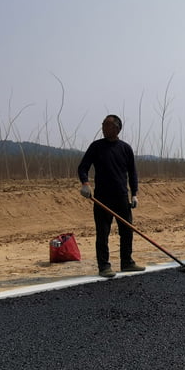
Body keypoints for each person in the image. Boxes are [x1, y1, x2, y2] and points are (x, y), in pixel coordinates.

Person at [78, 114, 143, 278]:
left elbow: (132, 173)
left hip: (122, 196)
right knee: (103, 233)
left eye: (106, 125)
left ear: (116, 128)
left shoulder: (125, 148)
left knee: (127, 231)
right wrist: (85, 184)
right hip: (101, 197)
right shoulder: (96, 147)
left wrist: (134, 194)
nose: (103, 128)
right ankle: (104, 266)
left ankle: (127, 262)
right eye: (103, 124)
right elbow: (83, 167)